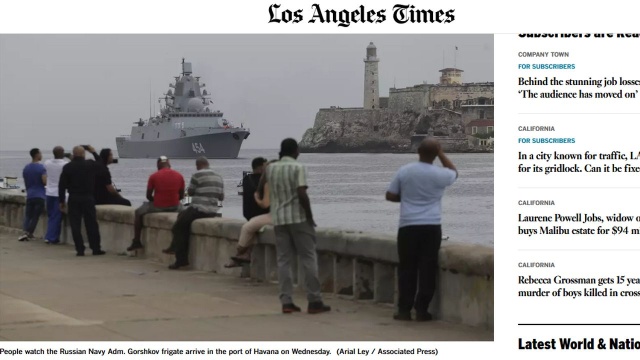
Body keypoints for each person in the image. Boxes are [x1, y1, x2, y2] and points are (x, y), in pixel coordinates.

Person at [385, 138, 458, 321]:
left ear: (418, 151)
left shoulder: (405, 171)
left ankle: (404, 310)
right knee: (427, 268)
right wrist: (440, 153)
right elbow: (454, 173)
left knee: (407, 268)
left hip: (408, 225)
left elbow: (390, 195)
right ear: (435, 154)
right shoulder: (440, 175)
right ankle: (422, 309)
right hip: (431, 226)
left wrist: (408, 200)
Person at [266, 138, 330, 314]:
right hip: (298, 219)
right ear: (295, 151)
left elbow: (259, 189)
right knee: (308, 258)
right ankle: (314, 300)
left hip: (279, 220)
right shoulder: (298, 167)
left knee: (283, 261)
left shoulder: (271, 168)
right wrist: (310, 217)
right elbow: (302, 193)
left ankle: (286, 301)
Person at [162, 157, 224, 269]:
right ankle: (174, 247)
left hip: (199, 209)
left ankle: (180, 259)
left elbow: (190, 192)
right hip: (212, 211)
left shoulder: (197, 175)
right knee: (182, 217)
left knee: (177, 227)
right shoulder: (218, 176)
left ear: (198, 165)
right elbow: (221, 196)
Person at [127, 156, 184, 251]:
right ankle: (176, 244)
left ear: (158, 165)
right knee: (185, 213)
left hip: (158, 206)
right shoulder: (179, 176)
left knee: (138, 212)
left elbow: (148, 195)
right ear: (169, 164)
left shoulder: (153, 176)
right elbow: (181, 196)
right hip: (175, 206)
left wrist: (156, 200)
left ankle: (136, 241)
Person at [225, 157, 273, 268]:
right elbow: (265, 204)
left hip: (248, 213)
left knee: (251, 228)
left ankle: (241, 255)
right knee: (251, 228)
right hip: (261, 213)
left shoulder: (246, 179)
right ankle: (242, 253)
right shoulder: (265, 181)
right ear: (261, 167)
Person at [58, 145, 105, 256]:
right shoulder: (89, 164)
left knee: (75, 224)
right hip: (88, 197)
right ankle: (95, 248)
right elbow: (101, 164)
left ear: (73, 154)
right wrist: (93, 152)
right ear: (84, 154)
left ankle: (80, 249)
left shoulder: (68, 167)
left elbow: (62, 186)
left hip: (74, 197)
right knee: (91, 224)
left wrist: (61, 201)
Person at [19, 148, 47, 241]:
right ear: (37, 155)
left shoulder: (26, 168)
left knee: (28, 215)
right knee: (35, 216)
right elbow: (44, 181)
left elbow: (26, 182)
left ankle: (25, 232)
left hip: (30, 194)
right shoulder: (41, 168)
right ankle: (29, 233)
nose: (41, 155)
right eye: (40, 153)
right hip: (39, 195)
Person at [43, 146, 69, 244]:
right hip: (60, 193)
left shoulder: (47, 163)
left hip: (49, 192)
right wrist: (69, 156)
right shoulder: (65, 164)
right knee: (57, 216)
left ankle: (51, 236)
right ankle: (51, 237)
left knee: (51, 216)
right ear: (62, 153)